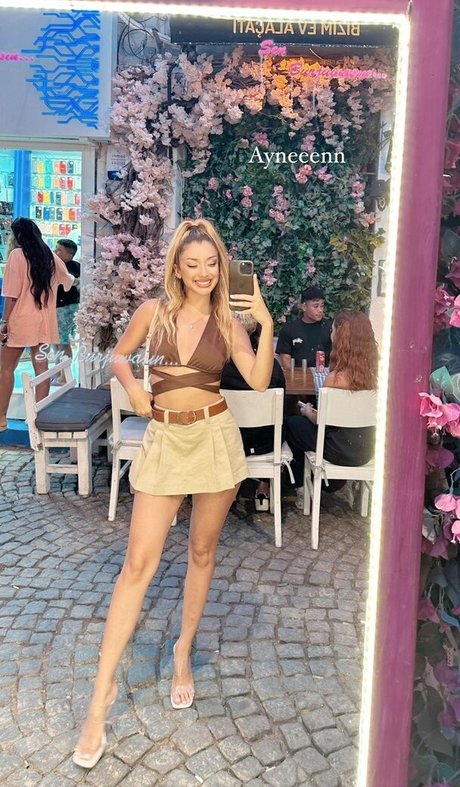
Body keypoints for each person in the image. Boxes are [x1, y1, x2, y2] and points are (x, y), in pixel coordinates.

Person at [73, 218, 274, 769]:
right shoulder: (153, 312)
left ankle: (183, 652)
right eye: (193, 264)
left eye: (212, 264)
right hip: (165, 439)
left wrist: (265, 323)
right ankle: (100, 697)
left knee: (202, 553)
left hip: (214, 438)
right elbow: (118, 356)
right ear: (177, 269)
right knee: (137, 565)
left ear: (221, 267)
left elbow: (258, 380)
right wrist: (135, 388)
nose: (204, 273)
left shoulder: (228, 320)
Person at [284, 310, 378, 509]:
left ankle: (300, 486)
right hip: (366, 450)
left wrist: (308, 412)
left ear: (341, 338)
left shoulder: (336, 378)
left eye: (334, 330)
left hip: (337, 450)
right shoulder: (376, 376)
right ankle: (332, 484)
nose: (330, 334)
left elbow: (323, 420)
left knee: (292, 424)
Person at [0, 218, 75, 431]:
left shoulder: (17, 255)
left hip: (20, 320)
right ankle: (38, 418)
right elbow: (68, 280)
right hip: (44, 320)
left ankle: (1, 418)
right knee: (42, 368)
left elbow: (12, 294)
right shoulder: (49, 255)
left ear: (17, 235)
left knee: (5, 368)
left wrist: (4, 322)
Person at [221, 311, 286, 511]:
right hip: (265, 444)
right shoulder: (272, 367)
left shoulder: (217, 367)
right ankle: (264, 486)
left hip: (227, 442)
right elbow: (281, 403)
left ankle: (226, 491)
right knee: (287, 422)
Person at [276, 285, 332, 371]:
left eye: (322, 306)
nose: (320, 310)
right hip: (298, 375)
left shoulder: (329, 328)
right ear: (304, 307)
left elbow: (336, 356)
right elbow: (286, 362)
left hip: (324, 374)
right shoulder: (289, 329)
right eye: (316, 306)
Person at [53, 239, 80, 382]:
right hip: (55, 307)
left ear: (70, 255)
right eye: (56, 249)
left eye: (59, 250)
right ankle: (58, 373)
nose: (55, 252)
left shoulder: (74, 267)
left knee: (63, 342)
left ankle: (65, 376)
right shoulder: (54, 264)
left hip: (67, 308)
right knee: (55, 342)